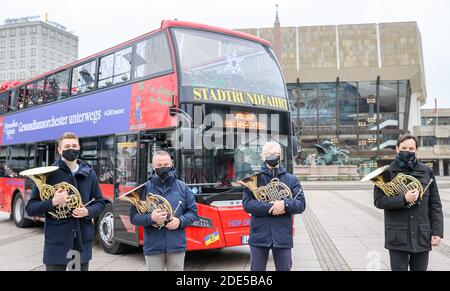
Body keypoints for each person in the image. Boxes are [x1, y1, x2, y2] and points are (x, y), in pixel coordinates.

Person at [26, 132, 105, 271]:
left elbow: (100, 202)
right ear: (59, 149)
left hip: (80, 243)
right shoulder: (48, 173)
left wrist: (88, 211)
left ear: (79, 147)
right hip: (57, 244)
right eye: (67, 146)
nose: (71, 149)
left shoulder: (89, 173)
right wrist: (53, 201)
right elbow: (30, 208)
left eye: (74, 146)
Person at [374, 134, 444, 271]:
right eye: (404, 147)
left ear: (416, 149)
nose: (408, 151)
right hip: (397, 236)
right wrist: (404, 199)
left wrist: (437, 232)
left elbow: (435, 204)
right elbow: (379, 201)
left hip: (421, 234)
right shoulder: (386, 173)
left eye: (411, 148)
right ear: (397, 149)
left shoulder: (426, 171)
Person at [242, 141, 306, 271]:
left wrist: (284, 204)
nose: (272, 156)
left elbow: (301, 204)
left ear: (280, 155)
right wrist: (271, 207)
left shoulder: (291, 179)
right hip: (259, 235)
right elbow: (247, 204)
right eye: (268, 153)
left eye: (275, 153)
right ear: (262, 156)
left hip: (282, 235)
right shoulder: (254, 179)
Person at [130, 150, 198, 271]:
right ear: (153, 166)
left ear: (171, 164)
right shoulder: (144, 188)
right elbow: (133, 217)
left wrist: (180, 221)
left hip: (176, 245)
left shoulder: (182, 187)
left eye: (166, 165)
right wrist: (151, 218)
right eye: (159, 165)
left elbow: (193, 212)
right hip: (153, 246)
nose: (163, 168)